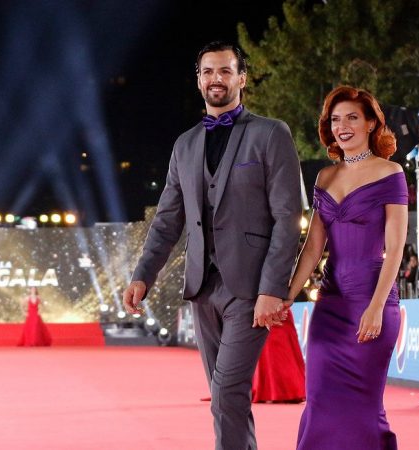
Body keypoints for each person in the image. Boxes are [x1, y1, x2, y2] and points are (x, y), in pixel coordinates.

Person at [123, 41, 302, 449]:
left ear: (242, 78)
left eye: (225, 71)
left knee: (226, 392)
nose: (215, 79)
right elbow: (168, 219)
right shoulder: (184, 145)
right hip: (203, 288)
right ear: (198, 80)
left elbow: (287, 216)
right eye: (207, 72)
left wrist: (272, 289)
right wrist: (142, 275)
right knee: (226, 396)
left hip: (251, 288)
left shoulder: (270, 133)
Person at [286, 85, 407, 449]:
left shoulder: (390, 172)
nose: (342, 126)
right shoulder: (324, 177)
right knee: (319, 400)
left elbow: (395, 248)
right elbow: (312, 249)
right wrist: (287, 296)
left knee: (363, 407)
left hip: (372, 302)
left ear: (371, 123)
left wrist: (375, 307)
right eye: (336, 119)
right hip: (330, 306)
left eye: (352, 117)